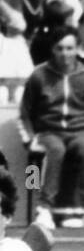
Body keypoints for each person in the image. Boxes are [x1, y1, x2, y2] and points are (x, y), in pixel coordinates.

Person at [20, 26, 84, 228]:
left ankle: (74, 209)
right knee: (54, 150)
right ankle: (42, 209)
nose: (65, 54)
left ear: (77, 48)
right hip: (47, 132)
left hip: (78, 131)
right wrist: (29, 140)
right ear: (52, 50)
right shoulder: (39, 75)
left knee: (82, 148)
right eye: (60, 48)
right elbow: (24, 113)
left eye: (69, 48)